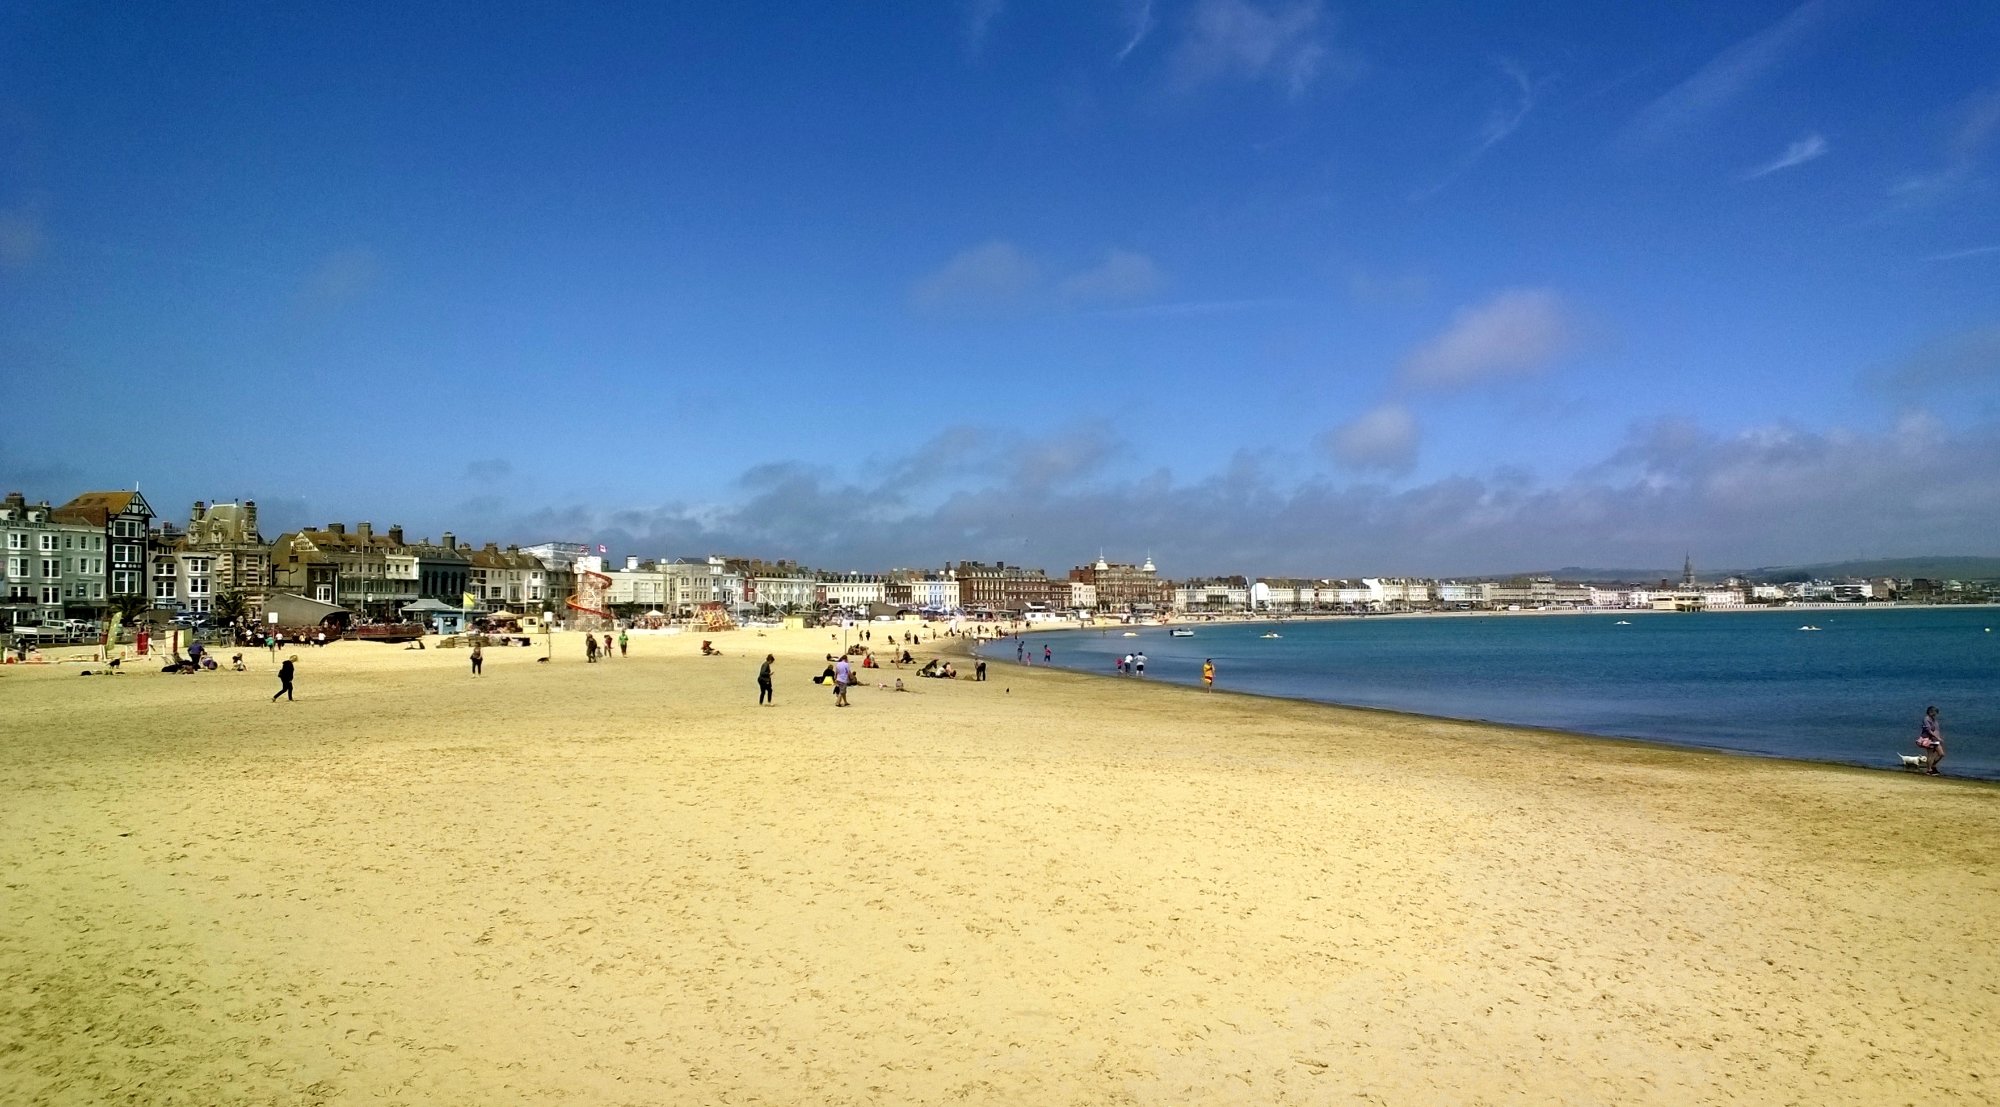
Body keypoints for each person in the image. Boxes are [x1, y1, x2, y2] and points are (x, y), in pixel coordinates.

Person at [1918, 705, 1943, 775]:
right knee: (1930, 754)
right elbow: (1929, 730)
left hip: (1935, 739)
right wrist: (1938, 737)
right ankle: (1929, 769)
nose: (1935, 714)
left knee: (1941, 754)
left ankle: (1933, 766)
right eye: (1935, 712)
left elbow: (1936, 730)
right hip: (1929, 739)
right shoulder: (1926, 719)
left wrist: (1938, 738)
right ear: (1930, 712)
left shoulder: (1933, 719)